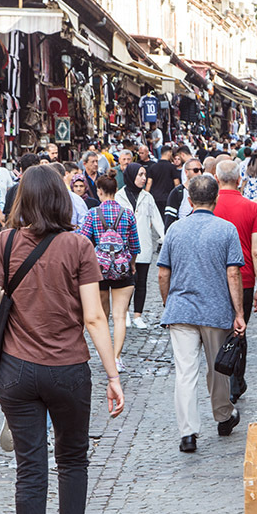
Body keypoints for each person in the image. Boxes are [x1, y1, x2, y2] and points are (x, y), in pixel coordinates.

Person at [0, 165, 123, 514]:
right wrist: (113, 376)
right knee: (73, 459)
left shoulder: (2, 244)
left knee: (30, 465)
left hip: (16, 372)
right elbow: (95, 317)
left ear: (21, 200)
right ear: (62, 199)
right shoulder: (79, 246)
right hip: (69, 369)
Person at [158, 174, 245, 453]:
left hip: (181, 309)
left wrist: (167, 302)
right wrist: (239, 312)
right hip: (215, 309)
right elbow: (233, 273)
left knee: (185, 372)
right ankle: (222, 416)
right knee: (217, 368)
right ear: (216, 199)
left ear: (189, 200)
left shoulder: (175, 230)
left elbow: (163, 273)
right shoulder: (226, 230)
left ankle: (188, 433)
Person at [214, 160, 257, 402]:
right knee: (239, 329)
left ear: (216, 180)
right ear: (239, 180)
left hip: (215, 277)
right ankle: (237, 381)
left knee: (217, 331)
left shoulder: (209, 206)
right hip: (244, 278)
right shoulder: (251, 208)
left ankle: (221, 380)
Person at [78, 175, 140, 372]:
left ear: (99, 191)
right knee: (120, 316)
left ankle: (104, 353)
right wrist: (131, 264)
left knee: (102, 315)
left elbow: (83, 240)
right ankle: (117, 358)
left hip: (99, 270)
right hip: (123, 271)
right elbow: (135, 246)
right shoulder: (128, 214)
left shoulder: (93, 214)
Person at [115, 162, 165, 330]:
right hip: (124, 247)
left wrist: (165, 238)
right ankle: (125, 313)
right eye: (140, 175)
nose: (144, 178)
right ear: (131, 175)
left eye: (145, 175)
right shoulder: (119, 196)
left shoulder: (147, 197)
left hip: (143, 245)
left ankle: (138, 315)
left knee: (141, 282)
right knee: (126, 282)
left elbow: (157, 219)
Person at [165, 158, 203, 229]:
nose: (199, 173)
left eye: (201, 170)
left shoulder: (205, 191)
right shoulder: (177, 192)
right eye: (196, 170)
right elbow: (169, 220)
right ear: (186, 172)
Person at [147, 145, 179, 220]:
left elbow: (149, 183)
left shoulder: (153, 167)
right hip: (168, 198)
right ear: (169, 153)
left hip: (155, 198)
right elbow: (177, 183)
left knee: (157, 219)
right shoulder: (172, 167)